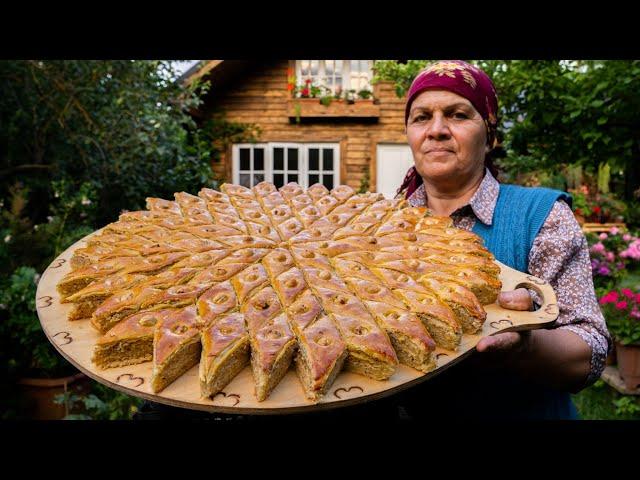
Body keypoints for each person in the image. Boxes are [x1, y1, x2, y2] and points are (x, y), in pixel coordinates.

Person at [390, 60, 611, 420]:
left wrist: (525, 348)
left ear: (490, 135)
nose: (437, 130)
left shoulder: (539, 215)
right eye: (421, 117)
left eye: (458, 114)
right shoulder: (383, 226)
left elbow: (591, 350)